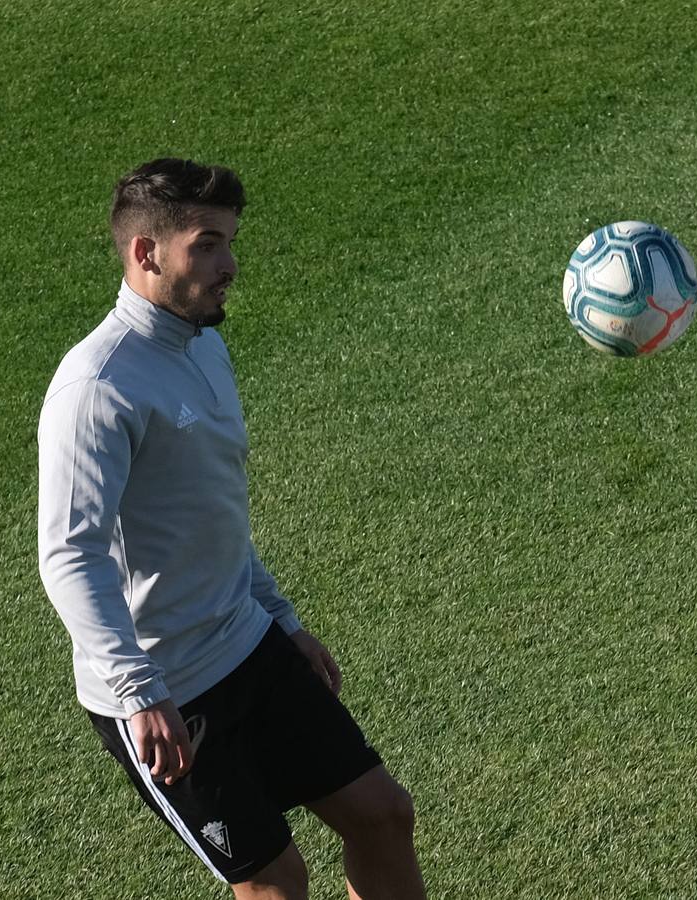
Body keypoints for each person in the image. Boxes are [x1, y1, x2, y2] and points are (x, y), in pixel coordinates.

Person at [38, 158, 428, 900]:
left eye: (230, 243)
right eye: (207, 244)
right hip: (169, 689)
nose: (230, 266)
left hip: (247, 645)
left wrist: (278, 618)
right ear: (146, 253)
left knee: (383, 815)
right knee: (276, 883)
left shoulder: (203, 343)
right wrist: (137, 689)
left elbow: (209, 510)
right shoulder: (98, 389)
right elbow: (69, 553)